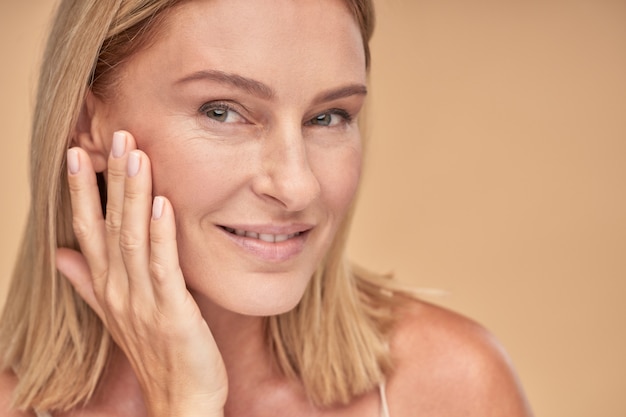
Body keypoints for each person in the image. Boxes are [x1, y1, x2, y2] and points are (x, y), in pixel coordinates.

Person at [0, 0, 534, 416]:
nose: (298, 186)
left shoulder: (447, 384)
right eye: (223, 111)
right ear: (86, 124)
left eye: (328, 117)